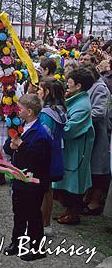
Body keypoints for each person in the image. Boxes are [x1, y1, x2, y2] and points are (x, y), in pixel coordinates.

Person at [3, 94, 52, 261]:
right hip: (19, 180)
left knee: (33, 215)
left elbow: (39, 158)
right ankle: (16, 243)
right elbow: (11, 145)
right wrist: (10, 147)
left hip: (33, 183)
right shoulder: (21, 126)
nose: (17, 111)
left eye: (20, 109)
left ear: (29, 111)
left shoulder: (41, 132)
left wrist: (21, 146)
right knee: (18, 213)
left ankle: (38, 248)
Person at [53, 67, 95, 225]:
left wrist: (55, 125)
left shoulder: (82, 105)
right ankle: (69, 212)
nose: (66, 84)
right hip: (70, 148)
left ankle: (73, 214)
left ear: (78, 86)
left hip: (77, 150)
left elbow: (70, 129)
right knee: (68, 181)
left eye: (69, 82)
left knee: (74, 182)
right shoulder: (75, 100)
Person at [37, 78, 67, 236]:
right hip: (54, 153)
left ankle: (41, 224)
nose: (38, 92)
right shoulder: (59, 109)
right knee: (48, 190)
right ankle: (46, 224)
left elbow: (43, 137)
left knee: (42, 190)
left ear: (47, 92)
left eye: (40, 89)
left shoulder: (47, 113)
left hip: (45, 156)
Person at [81, 63, 110, 215]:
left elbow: (98, 112)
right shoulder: (93, 86)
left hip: (98, 134)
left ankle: (95, 202)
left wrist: (80, 117)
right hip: (90, 133)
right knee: (91, 168)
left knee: (98, 170)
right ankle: (88, 197)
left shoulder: (100, 88)